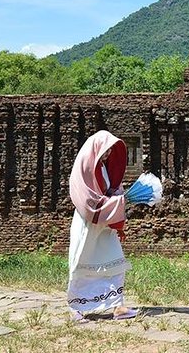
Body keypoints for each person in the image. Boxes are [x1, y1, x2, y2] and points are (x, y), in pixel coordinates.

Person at [67, 130, 137, 322]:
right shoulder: (85, 169)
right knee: (81, 262)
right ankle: (76, 308)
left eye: (110, 151)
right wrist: (115, 204)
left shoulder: (104, 168)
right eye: (105, 150)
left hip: (105, 224)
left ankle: (116, 306)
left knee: (115, 261)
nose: (107, 154)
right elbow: (88, 201)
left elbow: (111, 192)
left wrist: (117, 214)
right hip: (88, 223)